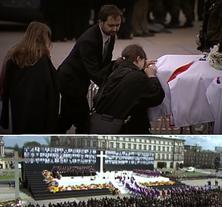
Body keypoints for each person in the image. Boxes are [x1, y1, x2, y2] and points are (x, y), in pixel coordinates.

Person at [57, 4, 122, 134]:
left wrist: (117, 64)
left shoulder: (111, 35)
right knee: (84, 122)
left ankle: (52, 137)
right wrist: (112, 86)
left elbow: (105, 63)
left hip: (79, 81)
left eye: (118, 25)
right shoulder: (89, 40)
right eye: (111, 25)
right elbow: (95, 73)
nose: (115, 29)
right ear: (100, 22)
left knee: (66, 118)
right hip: (70, 81)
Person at [90, 44, 165, 134]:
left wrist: (142, 65)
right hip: (122, 127)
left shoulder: (116, 70)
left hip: (100, 120)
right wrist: (151, 76)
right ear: (138, 59)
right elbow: (156, 97)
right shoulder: (137, 77)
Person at [0, 22, 59, 134]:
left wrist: (5, 114)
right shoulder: (42, 59)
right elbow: (52, 86)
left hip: (18, 105)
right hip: (39, 108)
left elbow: (5, 82)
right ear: (43, 38)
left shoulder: (14, 55)